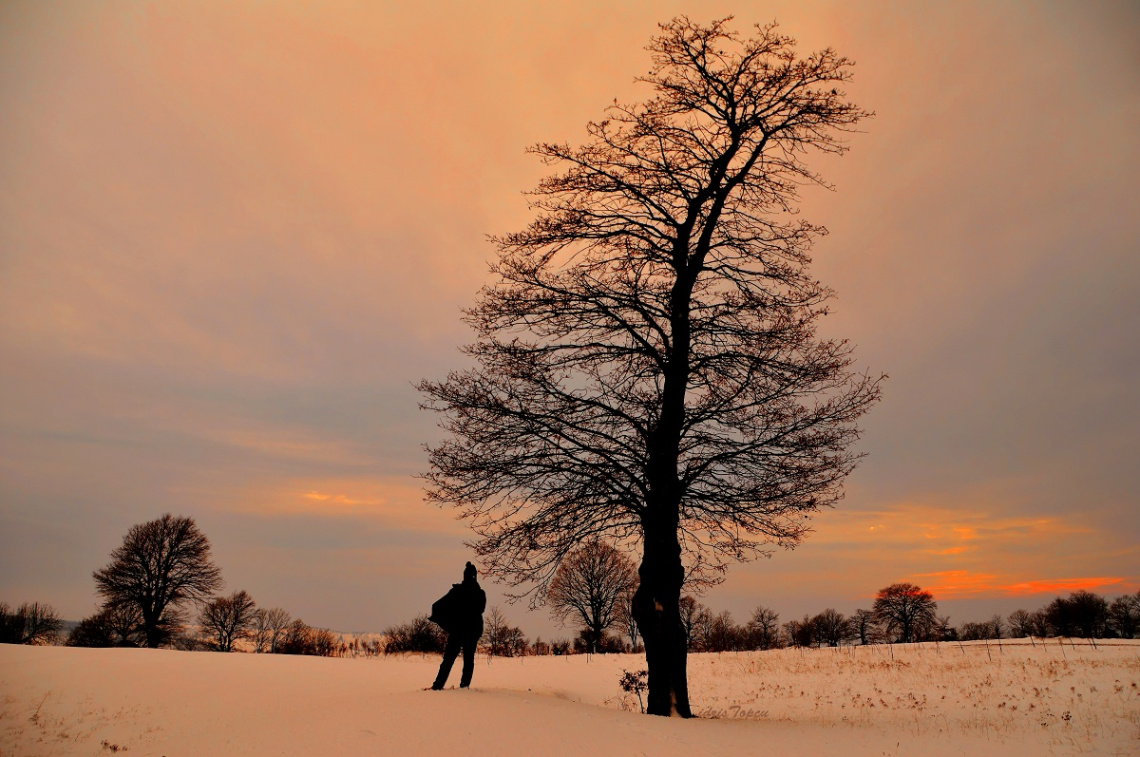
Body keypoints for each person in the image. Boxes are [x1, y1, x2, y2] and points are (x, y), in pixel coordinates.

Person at [431, 561, 486, 690]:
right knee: (468, 660)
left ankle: (438, 685)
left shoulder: (457, 591)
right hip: (471, 632)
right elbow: (480, 610)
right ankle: (464, 686)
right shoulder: (479, 593)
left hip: (458, 631)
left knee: (449, 660)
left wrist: (448, 624)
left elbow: (437, 606)